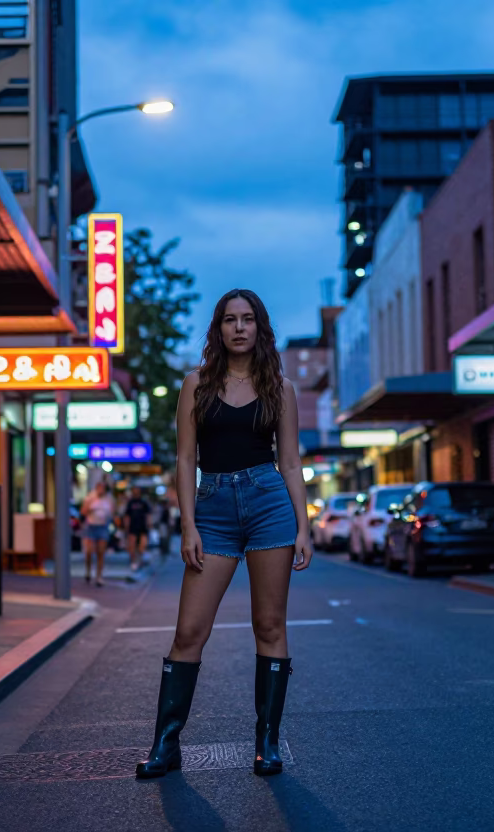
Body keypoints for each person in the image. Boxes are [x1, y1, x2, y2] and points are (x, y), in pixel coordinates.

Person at [135, 288, 312, 780]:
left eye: (248, 319)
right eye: (230, 319)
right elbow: (186, 460)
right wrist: (187, 524)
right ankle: (166, 744)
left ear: (260, 327)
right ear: (218, 328)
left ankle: (267, 743)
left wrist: (303, 527)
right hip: (211, 511)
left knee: (270, 626)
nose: (239, 327)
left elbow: (291, 462)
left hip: (268, 504)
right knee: (189, 631)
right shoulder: (196, 384)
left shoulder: (281, 388)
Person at [80, 479, 115, 587]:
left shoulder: (109, 499)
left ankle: (99, 576)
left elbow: (113, 512)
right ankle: (88, 571)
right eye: (99, 488)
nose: (101, 490)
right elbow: (83, 512)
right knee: (89, 552)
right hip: (91, 526)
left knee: (101, 552)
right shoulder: (90, 498)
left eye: (103, 488)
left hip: (103, 526)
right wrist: (91, 508)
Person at [121, 486, 153, 572]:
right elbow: (127, 515)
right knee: (132, 545)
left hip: (142, 527)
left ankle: (140, 560)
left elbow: (148, 514)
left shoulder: (144, 502)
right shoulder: (130, 503)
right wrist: (126, 527)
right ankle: (133, 561)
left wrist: (149, 524)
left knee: (142, 546)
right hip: (133, 527)